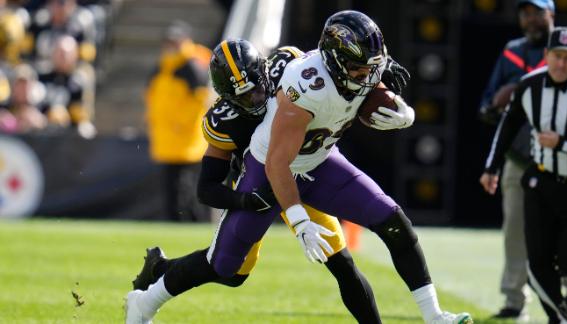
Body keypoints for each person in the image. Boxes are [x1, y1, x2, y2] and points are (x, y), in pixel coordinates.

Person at [125, 10, 472, 324]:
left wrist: (401, 107)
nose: (256, 100)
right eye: (358, 70)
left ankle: (434, 316)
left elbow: (368, 66)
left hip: (319, 163)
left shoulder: (326, 64)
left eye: (370, 69)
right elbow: (275, 164)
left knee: (390, 223)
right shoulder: (302, 87)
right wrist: (295, 217)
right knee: (225, 267)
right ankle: (145, 301)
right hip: (268, 173)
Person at [480, 26, 567, 324]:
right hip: (541, 180)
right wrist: (491, 167)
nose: (562, 64)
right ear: (546, 55)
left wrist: (563, 143)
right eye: (557, 56)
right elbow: (507, 127)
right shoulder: (529, 86)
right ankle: (559, 317)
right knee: (537, 263)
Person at [477, 0, 555, 319]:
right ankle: (514, 300)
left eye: (537, 12)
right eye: (525, 13)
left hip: (562, 159)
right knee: (514, 230)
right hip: (519, 157)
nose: (531, 19)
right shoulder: (512, 51)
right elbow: (486, 106)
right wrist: (499, 104)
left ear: (552, 13)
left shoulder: (566, 48)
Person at [144, 21, 211, 221]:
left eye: (176, 41)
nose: (172, 46)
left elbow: (201, 101)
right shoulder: (163, 66)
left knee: (187, 192)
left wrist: (180, 123)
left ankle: (193, 227)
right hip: (167, 142)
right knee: (173, 191)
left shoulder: (192, 65)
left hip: (187, 143)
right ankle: (179, 225)